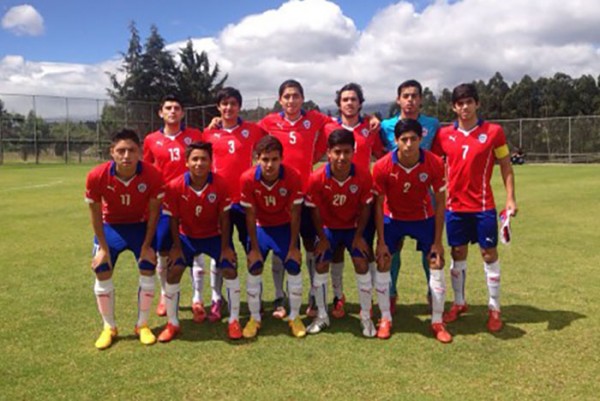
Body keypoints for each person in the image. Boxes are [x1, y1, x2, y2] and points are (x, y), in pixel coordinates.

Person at [258, 79, 380, 318]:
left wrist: (373, 117)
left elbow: (376, 142)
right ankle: (279, 298)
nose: (292, 100)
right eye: (287, 96)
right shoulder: (269, 122)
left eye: (296, 96)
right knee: (283, 248)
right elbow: (249, 134)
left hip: (315, 195)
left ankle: (317, 298)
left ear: (303, 98)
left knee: (315, 248)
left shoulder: (318, 119)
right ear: (280, 99)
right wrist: (217, 122)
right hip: (281, 196)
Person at [431, 83, 518, 332]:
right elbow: (434, 163)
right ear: (453, 107)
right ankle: (459, 303)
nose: (465, 107)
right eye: (460, 103)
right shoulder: (444, 135)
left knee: (488, 254)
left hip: (483, 207)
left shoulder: (493, 132)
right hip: (454, 208)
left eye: (469, 102)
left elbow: (505, 165)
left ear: (477, 103)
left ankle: (494, 308)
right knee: (457, 254)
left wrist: (510, 198)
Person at [85, 129, 164, 350]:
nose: (126, 155)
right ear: (112, 152)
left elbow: (154, 213)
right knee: (102, 268)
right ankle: (109, 327)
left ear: (140, 152)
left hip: (140, 227)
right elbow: (95, 213)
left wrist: (147, 246)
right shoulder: (97, 175)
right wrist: (102, 247)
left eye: (132, 150)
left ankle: (142, 324)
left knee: (148, 266)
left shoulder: (153, 175)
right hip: (111, 227)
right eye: (121, 150)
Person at [373, 119, 451, 342]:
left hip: (423, 218)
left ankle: (437, 321)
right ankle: (386, 318)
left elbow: (441, 202)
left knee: (436, 261)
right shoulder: (382, 166)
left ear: (420, 140)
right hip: (393, 218)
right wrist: (380, 241)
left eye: (413, 139)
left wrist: (437, 241)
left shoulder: (434, 163)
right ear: (396, 141)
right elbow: (378, 204)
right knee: (383, 261)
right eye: (404, 139)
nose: (408, 144)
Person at [159, 141, 240, 341]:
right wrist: (176, 248)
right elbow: (173, 220)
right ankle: (172, 323)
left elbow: (225, 219)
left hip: (213, 236)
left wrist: (226, 247)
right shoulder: (175, 186)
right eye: (194, 159)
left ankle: (234, 321)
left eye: (204, 159)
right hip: (186, 237)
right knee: (174, 269)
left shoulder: (220, 184)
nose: (199, 163)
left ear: (211, 162)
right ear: (186, 162)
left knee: (230, 267)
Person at [201, 87, 267, 322]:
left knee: (252, 248)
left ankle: (253, 297)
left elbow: (273, 145)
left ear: (240, 106)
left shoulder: (253, 130)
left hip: (246, 202)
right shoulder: (208, 134)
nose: (228, 108)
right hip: (219, 203)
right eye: (224, 104)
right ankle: (217, 299)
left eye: (233, 104)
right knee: (220, 251)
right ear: (218, 107)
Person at [305, 129, 377, 337]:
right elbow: (315, 211)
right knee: (320, 263)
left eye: (347, 152)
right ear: (328, 152)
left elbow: (365, 209)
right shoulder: (317, 178)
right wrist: (322, 238)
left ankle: (366, 317)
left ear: (353, 152)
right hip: (328, 229)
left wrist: (358, 237)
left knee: (362, 263)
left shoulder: (363, 176)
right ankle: (322, 316)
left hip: (353, 228)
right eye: (337, 152)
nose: (342, 157)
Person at [322, 83, 385, 318]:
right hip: (334, 199)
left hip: (362, 198)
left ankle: (367, 301)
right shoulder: (328, 126)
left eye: (354, 99)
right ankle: (339, 297)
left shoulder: (371, 128)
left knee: (365, 251)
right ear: (339, 103)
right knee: (336, 251)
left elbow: (382, 154)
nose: (349, 103)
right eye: (345, 99)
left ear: (360, 103)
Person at [143, 94, 206, 322]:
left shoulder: (195, 136)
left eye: (177, 108)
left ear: (182, 113)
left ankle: (197, 298)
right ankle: (164, 295)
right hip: (163, 203)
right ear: (161, 112)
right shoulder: (151, 140)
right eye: (168, 108)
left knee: (195, 248)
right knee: (163, 250)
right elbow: (148, 171)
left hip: (192, 201)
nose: (172, 111)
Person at [379, 80, 441, 313]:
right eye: (406, 96)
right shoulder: (386, 125)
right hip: (394, 195)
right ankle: (391, 293)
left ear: (421, 99)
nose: (410, 100)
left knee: (431, 249)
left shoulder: (432, 124)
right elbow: (378, 152)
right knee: (393, 248)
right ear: (398, 99)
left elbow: (441, 151)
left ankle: (432, 292)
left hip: (424, 193)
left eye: (415, 96)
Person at [239, 136, 306, 338]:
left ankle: (294, 316)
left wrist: (294, 247)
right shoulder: (248, 178)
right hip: (260, 228)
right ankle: (254, 318)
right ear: (256, 159)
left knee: (293, 266)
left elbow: (295, 214)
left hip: (284, 227)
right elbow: (250, 216)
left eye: (274, 159)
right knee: (254, 266)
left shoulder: (293, 176)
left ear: (281, 159)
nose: (269, 165)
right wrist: (253, 248)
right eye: (265, 159)